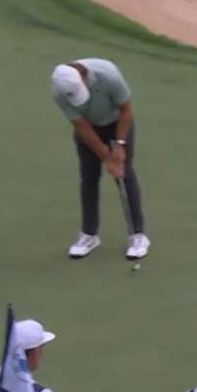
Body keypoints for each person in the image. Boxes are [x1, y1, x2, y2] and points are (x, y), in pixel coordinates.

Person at [49, 59, 150, 261]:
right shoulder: (59, 91)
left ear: (84, 77)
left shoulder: (109, 76)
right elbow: (81, 126)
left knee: (124, 174)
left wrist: (119, 146)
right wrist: (106, 156)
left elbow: (126, 110)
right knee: (88, 177)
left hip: (117, 122)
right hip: (90, 128)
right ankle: (89, 234)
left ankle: (138, 235)